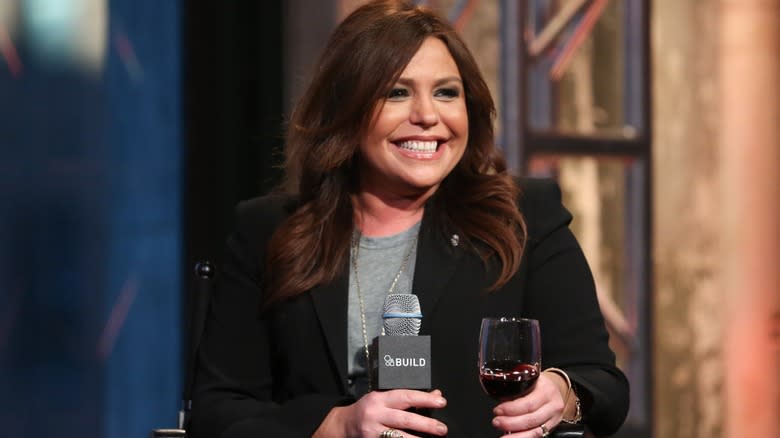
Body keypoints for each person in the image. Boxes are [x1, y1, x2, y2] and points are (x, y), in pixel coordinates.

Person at [189, 1, 629, 437]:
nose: (427, 116)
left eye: (446, 92)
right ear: (347, 109)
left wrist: (561, 393)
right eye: (397, 93)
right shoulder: (268, 230)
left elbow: (602, 385)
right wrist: (335, 425)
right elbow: (217, 409)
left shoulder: (524, 216)